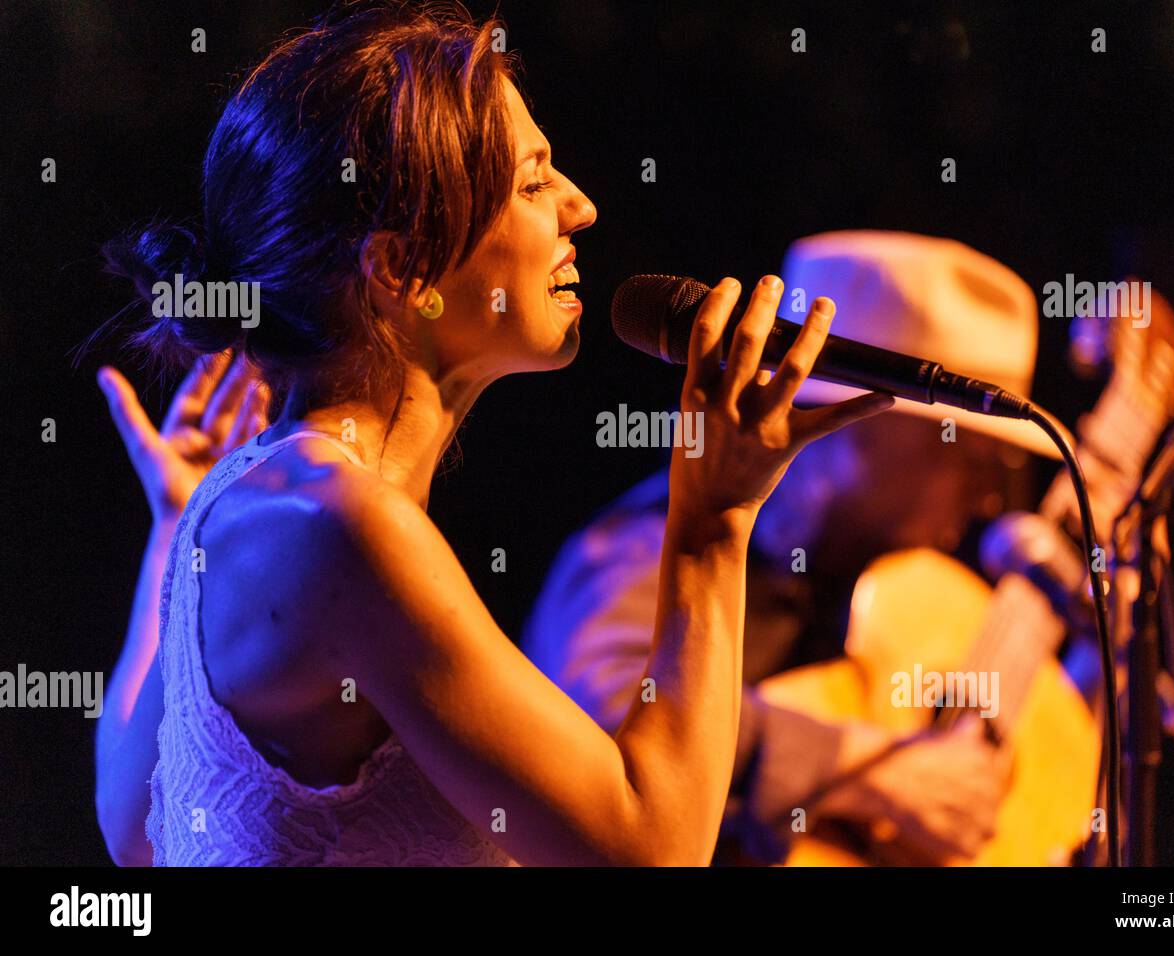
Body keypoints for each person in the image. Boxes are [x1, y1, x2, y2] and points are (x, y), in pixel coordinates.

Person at [92, 3, 894, 867]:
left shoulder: (257, 500)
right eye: (533, 182)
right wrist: (713, 524)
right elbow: (651, 850)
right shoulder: (338, 527)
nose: (581, 207)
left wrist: (175, 524)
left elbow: (133, 825)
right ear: (401, 267)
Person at [524, 231, 1069, 865]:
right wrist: (863, 767)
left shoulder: (879, 583)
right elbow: (606, 708)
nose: (988, 500)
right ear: (854, 422)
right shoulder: (649, 545)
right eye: (969, 455)